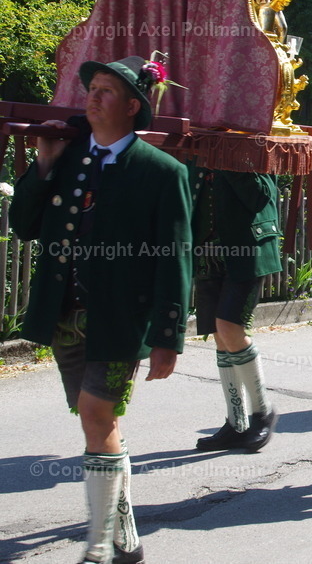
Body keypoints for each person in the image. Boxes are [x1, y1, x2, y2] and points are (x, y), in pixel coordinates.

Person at [10, 56, 192, 564]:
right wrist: (42, 165)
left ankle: (98, 543)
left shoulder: (163, 172)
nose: (92, 96)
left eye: (107, 90)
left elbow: (173, 256)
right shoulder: (65, 156)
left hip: (121, 320)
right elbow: (23, 225)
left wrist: (167, 336)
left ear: (133, 106)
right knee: (95, 422)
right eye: (91, 87)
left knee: (97, 411)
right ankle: (122, 522)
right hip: (63, 313)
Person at [191, 169, 282, 451]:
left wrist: (229, 162)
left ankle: (262, 413)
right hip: (208, 253)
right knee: (221, 335)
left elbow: (261, 197)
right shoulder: (196, 146)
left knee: (230, 327)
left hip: (247, 251)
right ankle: (237, 423)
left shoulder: (249, 146)